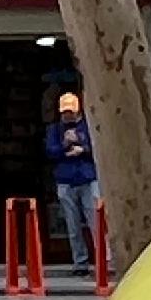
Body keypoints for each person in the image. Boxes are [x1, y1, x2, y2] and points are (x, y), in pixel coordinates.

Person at [44, 89, 101, 278]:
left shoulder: (89, 126)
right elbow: (50, 152)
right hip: (66, 180)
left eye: (71, 111)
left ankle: (102, 260)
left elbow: (98, 148)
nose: (67, 115)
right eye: (65, 112)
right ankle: (80, 262)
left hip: (87, 178)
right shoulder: (55, 130)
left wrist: (82, 147)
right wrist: (64, 145)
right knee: (72, 224)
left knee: (95, 222)